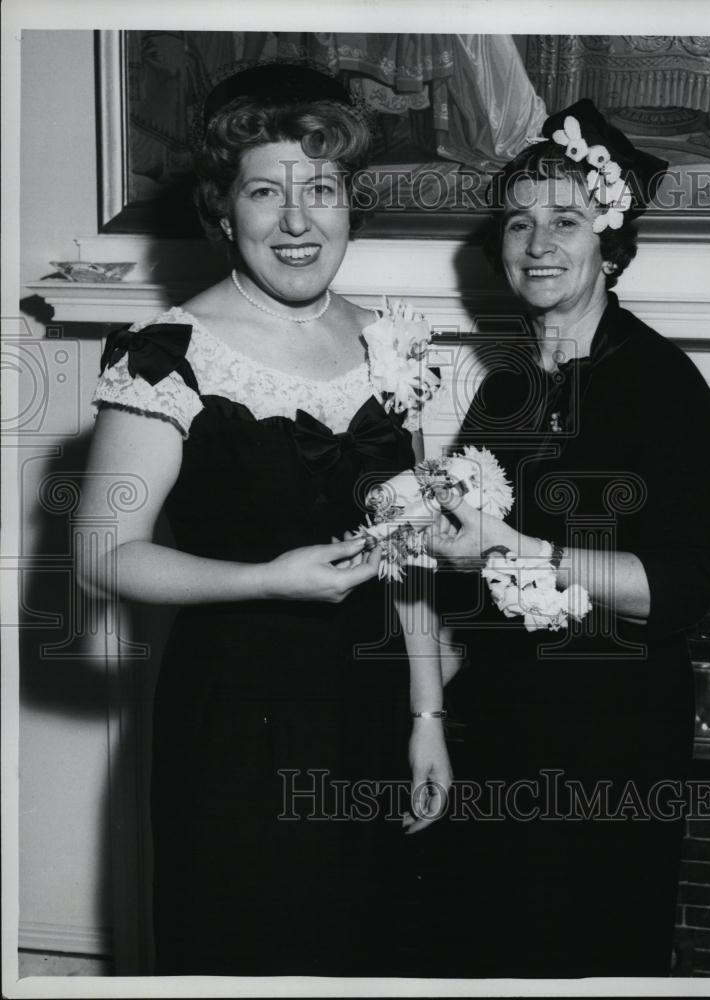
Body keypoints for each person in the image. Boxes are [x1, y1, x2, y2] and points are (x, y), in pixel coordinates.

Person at [81, 63, 450, 976]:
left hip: (365, 711)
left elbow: (410, 551)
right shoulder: (169, 353)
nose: (298, 221)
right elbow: (103, 554)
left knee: (370, 950)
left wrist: (427, 712)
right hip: (235, 719)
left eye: (320, 190)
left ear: (348, 205)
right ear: (223, 209)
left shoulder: (391, 341)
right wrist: (264, 579)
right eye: (265, 192)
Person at [425, 99, 710, 977]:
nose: (537, 243)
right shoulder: (505, 391)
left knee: (590, 958)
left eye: (565, 220)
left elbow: (680, 587)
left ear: (610, 238)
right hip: (502, 721)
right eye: (519, 222)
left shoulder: (663, 385)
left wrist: (512, 545)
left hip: (614, 738)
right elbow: (460, 572)